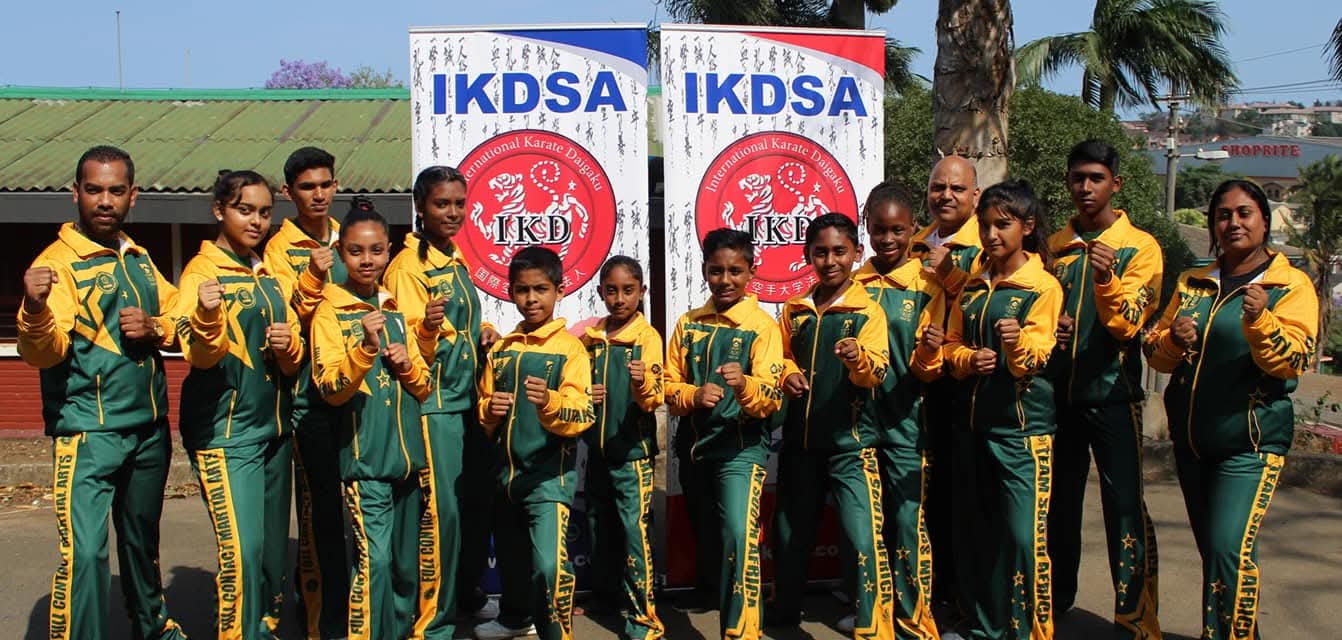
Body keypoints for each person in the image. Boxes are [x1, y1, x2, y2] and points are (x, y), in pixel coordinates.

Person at [18, 145, 188, 640]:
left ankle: (153, 626)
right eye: (94, 190)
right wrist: (33, 307)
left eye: (116, 190)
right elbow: (44, 353)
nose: (105, 201)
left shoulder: (138, 257)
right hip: (90, 433)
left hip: (149, 429)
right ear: (75, 193)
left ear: (133, 196)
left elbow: (179, 318)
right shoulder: (57, 265)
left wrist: (156, 327)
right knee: (86, 553)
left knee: (141, 542)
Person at [1144, 179, 1317, 640]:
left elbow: (1291, 360)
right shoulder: (1194, 281)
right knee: (1219, 554)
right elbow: (1156, 355)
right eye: (1223, 214)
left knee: (1227, 549)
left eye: (1244, 213)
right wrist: (1171, 341)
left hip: (1251, 443)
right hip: (1193, 443)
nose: (1233, 222)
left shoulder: (1289, 285)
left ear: (1263, 220)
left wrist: (1260, 319)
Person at [173, 170, 305, 638]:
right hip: (227, 434)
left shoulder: (266, 271)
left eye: (265, 212)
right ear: (218, 210)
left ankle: (262, 628)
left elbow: (291, 362)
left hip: (274, 431)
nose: (255, 221)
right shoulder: (201, 273)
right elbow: (198, 353)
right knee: (242, 554)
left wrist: (290, 347)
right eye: (244, 210)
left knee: (270, 556)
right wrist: (208, 314)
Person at [1046, 140, 1163, 638]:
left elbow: (1129, 325)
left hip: (1114, 397)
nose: (1085, 188)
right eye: (1077, 178)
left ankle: (1135, 615)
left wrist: (1107, 278)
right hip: (1058, 400)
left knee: (1124, 507)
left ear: (1116, 183)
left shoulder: (1141, 246)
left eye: (1096, 178)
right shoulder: (1053, 247)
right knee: (1057, 504)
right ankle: (1054, 602)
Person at [384, 165, 503, 638]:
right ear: (419, 207)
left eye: (459, 203)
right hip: (433, 405)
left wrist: (482, 335)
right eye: (441, 204)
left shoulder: (453, 258)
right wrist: (434, 331)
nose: (453, 213)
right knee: (442, 516)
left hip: (467, 402)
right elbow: (409, 346)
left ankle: (462, 595)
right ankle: (432, 623)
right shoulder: (407, 269)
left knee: (474, 507)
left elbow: (461, 327)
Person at [310, 198, 435, 640]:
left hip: (407, 463)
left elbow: (423, 387)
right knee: (375, 562)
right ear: (342, 253)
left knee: (404, 568)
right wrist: (364, 349)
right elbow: (329, 388)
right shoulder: (330, 311)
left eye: (377, 250)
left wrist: (407, 365)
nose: (367, 260)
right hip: (364, 465)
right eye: (357, 251)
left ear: (388, 251)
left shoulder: (395, 308)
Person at [942, 180, 1062, 640]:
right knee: (980, 534)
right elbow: (951, 347)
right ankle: (986, 627)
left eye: (1002, 225)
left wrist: (1014, 346)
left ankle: (1035, 630)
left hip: (1023, 433)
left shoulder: (1042, 287)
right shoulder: (973, 286)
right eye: (986, 225)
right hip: (974, 428)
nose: (992, 235)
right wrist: (968, 359)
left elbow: (1038, 355)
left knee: (1024, 540)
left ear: (1027, 228)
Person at [768, 213, 896, 639]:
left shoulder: (868, 312)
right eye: (820, 252)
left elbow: (877, 371)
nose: (829, 261)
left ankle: (872, 623)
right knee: (789, 535)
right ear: (807, 256)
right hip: (800, 444)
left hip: (851, 445)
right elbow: (779, 358)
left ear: (857, 254)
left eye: (839, 251)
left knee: (862, 537)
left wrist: (857, 359)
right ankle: (783, 613)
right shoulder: (796, 310)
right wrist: (786, 373)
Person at [664, 228, 785, 640]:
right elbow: (668, 385)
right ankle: (716, 601)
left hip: (742, 450)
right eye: (717, 271)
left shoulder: (763, 328)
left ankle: (741, 633)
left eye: (735, 270)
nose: (726, 280)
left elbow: (770, 397)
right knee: (712, 537)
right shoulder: (688, 323)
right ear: (704, 271)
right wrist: (694, 395)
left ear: (752, 272)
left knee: (738, 534)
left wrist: (743, 386)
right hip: (697, 451)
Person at [472, 246, 596, 640]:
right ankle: (515, 619)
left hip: (547, 479)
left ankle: (556, 633)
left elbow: (582, 414)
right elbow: (483, 413)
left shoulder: (570, 350)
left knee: (549, 568)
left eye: (540, 289)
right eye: (523, 290)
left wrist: (550, 403)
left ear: (559, 290)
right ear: (510, 292)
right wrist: (489, 410)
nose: (531, 299)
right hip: (506, 479)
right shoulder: (504, 349)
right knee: (511, 560)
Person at [261, 146, 349, 640]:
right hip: (306, 395)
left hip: (354, 388)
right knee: (318, 511)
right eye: (307, 187)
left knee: (355, 506)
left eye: (325, 184)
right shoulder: (280, 248)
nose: (318, 194)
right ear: (288, 192)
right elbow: (288, 319)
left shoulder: (347, 237)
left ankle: (350, 604)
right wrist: (315, 273)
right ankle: (318, 619)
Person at [853, 182, 947, 639]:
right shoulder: (853, 285)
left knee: (908, 522)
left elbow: (933, 369)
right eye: (878, 230)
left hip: (908, 423)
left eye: (896, 230)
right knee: (868, 527)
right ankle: (873, 613)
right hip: (858, 424)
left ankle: (914, 616)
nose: (887, 240)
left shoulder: (930, 287)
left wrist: (931, 354)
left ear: (914, 229)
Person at [578, 255, 666, 640]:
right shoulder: (592, 337)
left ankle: (643, 617)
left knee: (634, 532)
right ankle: (605, 597)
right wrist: (584, 391)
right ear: (600, 292)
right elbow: (573, 381)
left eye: (628, 290)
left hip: (632, 454)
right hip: (597, 450)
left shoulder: (647, 338)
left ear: (642, 292)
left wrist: (641, 384)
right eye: (611, 291)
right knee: (600, 526)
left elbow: (655, 397)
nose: (619, 299)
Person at [909, 155, 983, 613]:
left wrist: (950, 275)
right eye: (939, 187)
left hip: (965, 387)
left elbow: (982, 304)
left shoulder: (988, 243)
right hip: (917, 387)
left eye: (957, 189)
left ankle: (961, 595)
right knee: (925, 496)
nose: (946, 196)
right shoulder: (913, 242)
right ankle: (925, 591)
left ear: (975, 196)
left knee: (963, 495)